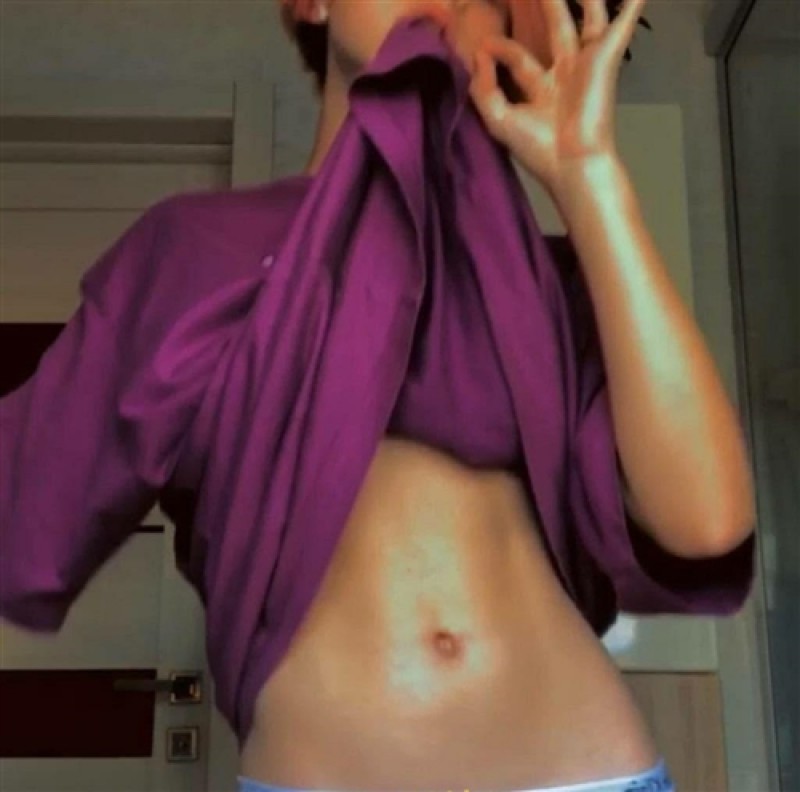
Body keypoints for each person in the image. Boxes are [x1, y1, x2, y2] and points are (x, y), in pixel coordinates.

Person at [0, 1, 757, 791]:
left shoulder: (551, 284)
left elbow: (706, 524)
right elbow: (30, 498)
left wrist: (590, 177)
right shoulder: (194, 252)